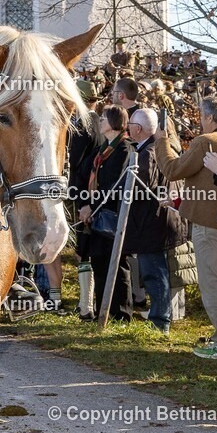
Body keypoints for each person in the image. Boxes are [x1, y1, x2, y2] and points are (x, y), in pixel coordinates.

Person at [155, 96, 217, 361]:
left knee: (211, 283)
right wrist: (182, 201)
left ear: (207, 117)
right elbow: (212, 185)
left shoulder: (205, 142)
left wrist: (162, 140)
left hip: (208, 226)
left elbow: (173, 170)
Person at [123, 108, 188, 334]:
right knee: (154, 270)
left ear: (138, 129)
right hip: (157, 220)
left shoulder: (148, 152)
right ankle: (160, 316)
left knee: (154, 272)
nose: (127, 126)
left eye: (130, 123)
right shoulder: (154, 147)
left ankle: (160, 321)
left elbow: (143, 187)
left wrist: (121, 191)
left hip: (152, 222)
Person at [78, 104, 133, 321]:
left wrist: (93, 206)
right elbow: (83, 174)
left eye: (104, 118)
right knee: (99, 263)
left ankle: (122, 313)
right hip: (95, 215)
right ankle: (105, 311)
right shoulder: (102, 150)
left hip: (112, 215)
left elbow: (115, 184)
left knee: (117, 265)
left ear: (115, 123)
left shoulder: (124, 149)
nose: (100, 121)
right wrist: (84, 204)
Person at [69, 79, 102, 319]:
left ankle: (85, 305)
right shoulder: (99, 121)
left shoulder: (84, 125)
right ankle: (87, 303)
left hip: (83, 191)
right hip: (92, 192)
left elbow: (75, 162)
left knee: (83, 249)